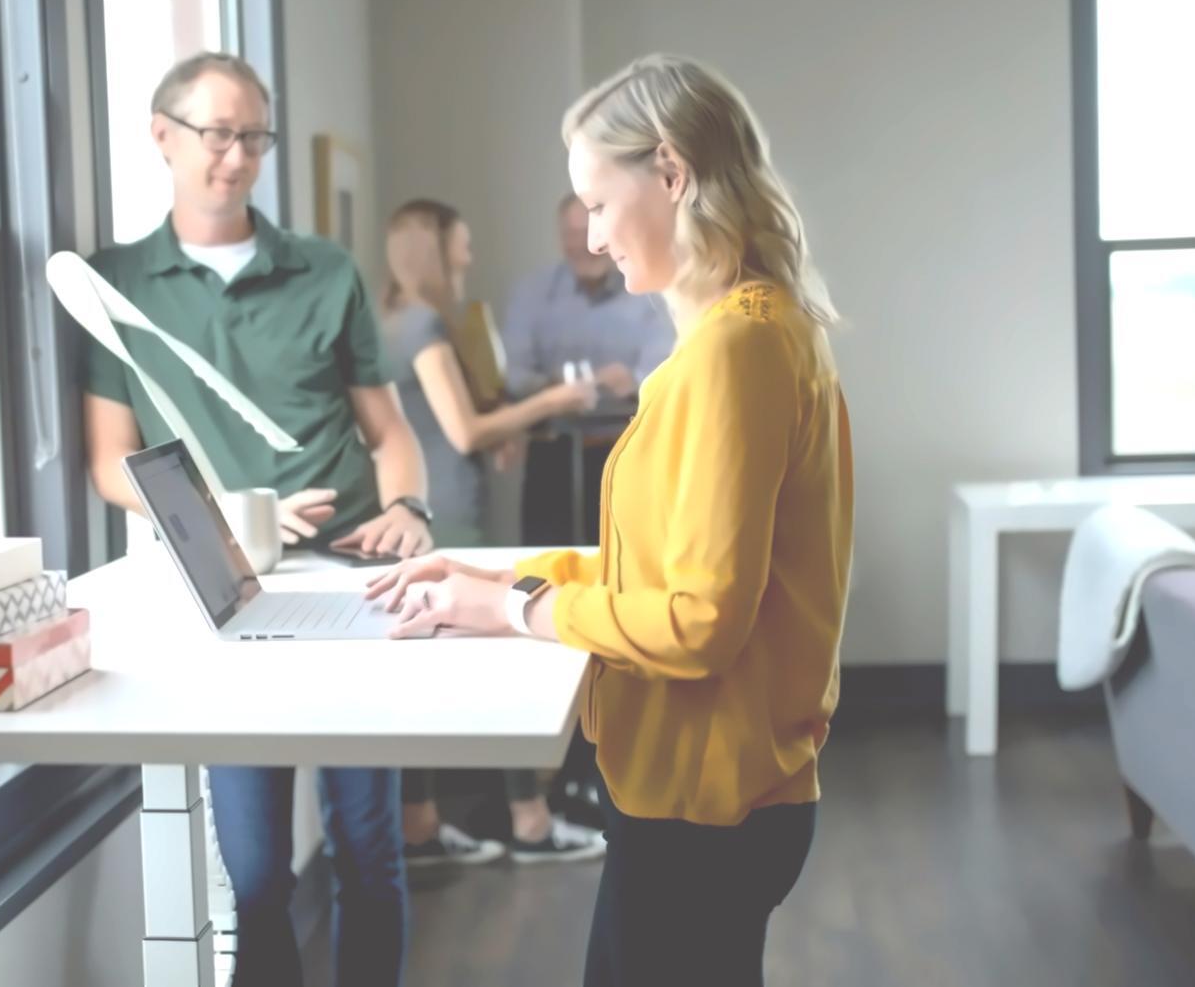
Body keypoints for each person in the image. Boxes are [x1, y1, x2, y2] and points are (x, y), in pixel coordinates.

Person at [366, 54, 853, 987]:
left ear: (671, 174)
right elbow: (658, 570)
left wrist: (515, 612)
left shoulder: (734, 349)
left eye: (596, 202)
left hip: (704, 803)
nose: (589, 237)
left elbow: (698, 621)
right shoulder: (757, 327)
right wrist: (500, 582)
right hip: (722, 793)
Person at [81, 51, 430, 987]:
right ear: (162, 135)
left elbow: (390, 433)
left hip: (354, 589)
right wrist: (226, 511)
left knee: (369, 856)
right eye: (216, 133)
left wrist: (406, 504)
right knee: (258, 876)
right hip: (223, 603)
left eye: (253, 137)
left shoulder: (325, 272)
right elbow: (110, 463)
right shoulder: (116, 285)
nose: (236, 156)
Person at [378, 199, 606, 867]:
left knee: (432, 674)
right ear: (434, 248)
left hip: (433, 509)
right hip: (448, 516)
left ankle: (423, 824)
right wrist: (555, 402)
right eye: (462, 244)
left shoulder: (393, 320)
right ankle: (526, 822)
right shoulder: (421, 323)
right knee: (501, 654)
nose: (469, 257)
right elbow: (465, 432)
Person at [502, 194, 675, 547]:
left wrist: (633, 381)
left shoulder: (650, 293)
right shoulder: (532, 293)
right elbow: (514, 375)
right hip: (550, 457)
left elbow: (665, 374)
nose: (583, 245)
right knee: (545, 564)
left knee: (626, 565)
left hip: (627, 453)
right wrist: (558, 389)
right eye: (571, 234)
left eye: (589, 232)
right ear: (560, 237)